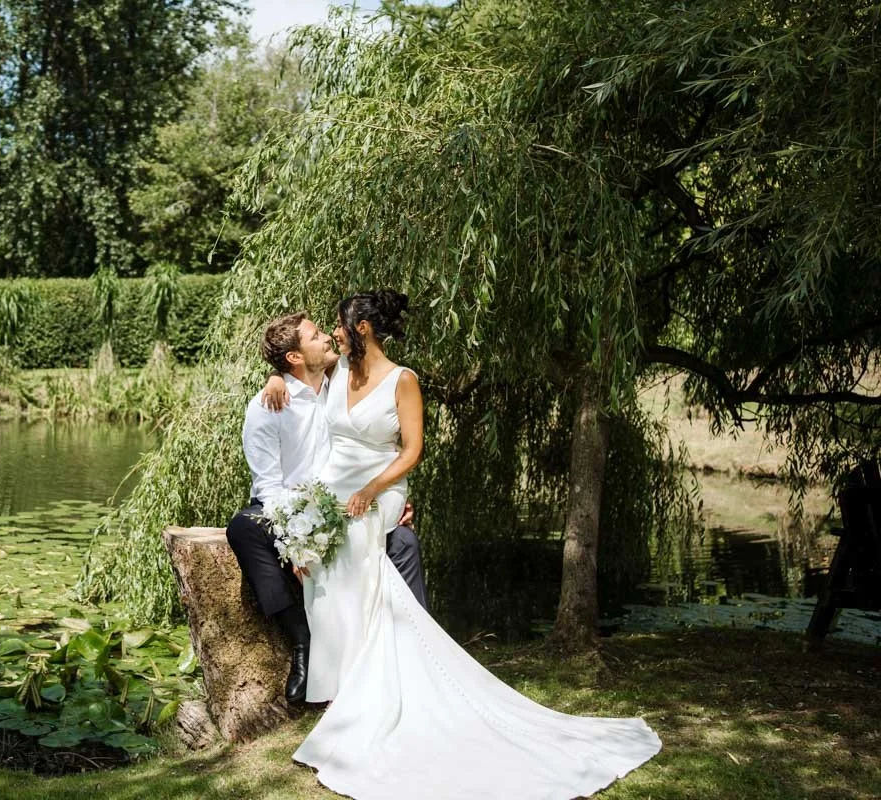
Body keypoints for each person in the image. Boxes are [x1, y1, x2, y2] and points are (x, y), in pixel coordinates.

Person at [282, 291, 662, 800]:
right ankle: (342, 691)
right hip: (332, 494)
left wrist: (373, 491)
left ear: (364, 329)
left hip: (378, 491)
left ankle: (368, 692)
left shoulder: (403, 380)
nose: (333, 334)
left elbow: (413, 450)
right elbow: (293, 375)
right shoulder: (333, 374)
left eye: (340, 327)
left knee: (360, 554)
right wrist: (272, 378)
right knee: (326, 580)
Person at [226, 311, 429, 705]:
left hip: (345, 503)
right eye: (316, 335)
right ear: (294, 359)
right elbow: (268, 487)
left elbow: (377, 444)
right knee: (244, 527)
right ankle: (302, 640)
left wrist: (388, 498)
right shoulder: (269, 405)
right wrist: (297, 536)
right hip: (286, 508)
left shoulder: (341, 382)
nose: (327, 338)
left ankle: (414, 648)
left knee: (404, 542)